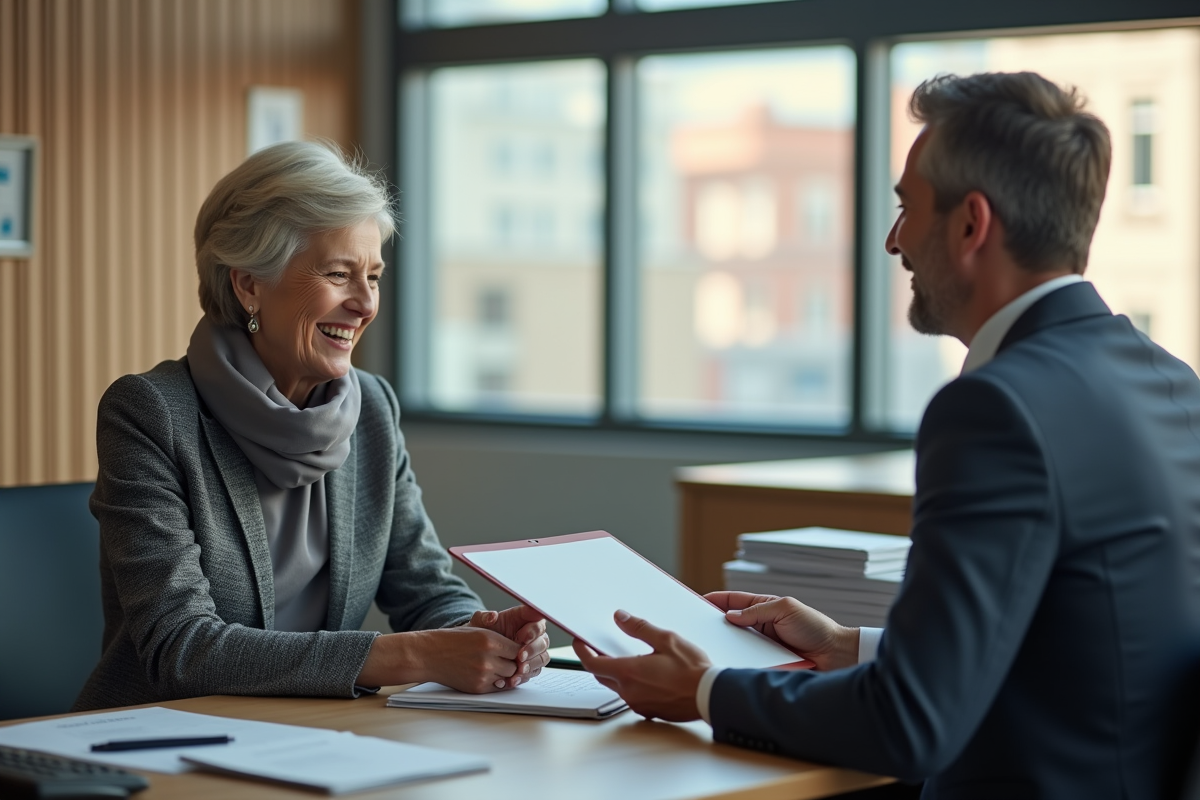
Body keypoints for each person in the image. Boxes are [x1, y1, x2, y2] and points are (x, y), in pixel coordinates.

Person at [575, 72, 1200, 798]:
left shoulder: (996, 410)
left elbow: (910, 722)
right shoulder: (1170, 381)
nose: (893, 241)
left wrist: (708, 691)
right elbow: (1078, 649)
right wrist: (849, 646)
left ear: (972, 225)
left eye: (908, 209)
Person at [75, 140, 550, 711]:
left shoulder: (372, 408)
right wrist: (415, 656)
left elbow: (425, 589)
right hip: (163, 740)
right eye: (338, 273)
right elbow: (181, 648)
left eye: (373, 277)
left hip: (319, 732)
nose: (365, 304)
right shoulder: (149, 412)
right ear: (248, 283)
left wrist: (482, 633)